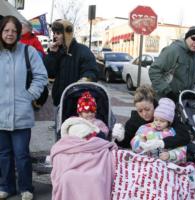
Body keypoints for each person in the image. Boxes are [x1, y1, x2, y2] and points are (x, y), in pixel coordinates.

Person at [0, 16, 48, 200]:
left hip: (21, 113)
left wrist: (29, 95)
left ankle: (26, 188)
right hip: (0, 113)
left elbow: (41, 76)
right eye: (6, 30)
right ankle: (6, 186)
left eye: (13, 30)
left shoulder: (28, 51)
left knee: (21, 155)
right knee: (3, 154)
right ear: (1, 32)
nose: (10, 34)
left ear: (18, 33)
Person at [50, 117, 117, 200]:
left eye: (87, 136)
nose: (89, 114)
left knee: (96, 178)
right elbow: (59, 171)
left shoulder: (99, 142)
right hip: (72, 176)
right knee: (67, 178)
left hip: (94, 172)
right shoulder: (63, 149)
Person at [115, 85, 190, 151]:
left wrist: (162, 143)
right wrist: (120, 138)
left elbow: (185, 136)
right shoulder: (134, 120)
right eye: (140, 111)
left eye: (147, 109)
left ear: (153, 104)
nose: (144, 114)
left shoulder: (165, 113)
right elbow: (126, 143)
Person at [44, 19, 99, 107]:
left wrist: (84, 80)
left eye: (58, 33)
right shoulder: (57, 51)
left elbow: (91, 71)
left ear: (67, 34)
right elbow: (49, 73)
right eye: (54, 33)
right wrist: (52, 54)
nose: (55, 36)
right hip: (59, 102)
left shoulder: (82, 50)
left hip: (77, 103)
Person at [149, 26, 195, 102]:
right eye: (194, 38)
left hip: (182, 101)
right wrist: (168, 92)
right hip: (164, 99)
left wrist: (194, 94)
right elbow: (154, 71)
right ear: (187, 37)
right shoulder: (173, 50)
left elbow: (194, 80)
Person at [131, 98, 186, 163]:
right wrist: (140, 143)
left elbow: (183, 150)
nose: (158, 123)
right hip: (146, 162)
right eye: (156, 120)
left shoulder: (173, 132)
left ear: (169, 122)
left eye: (162, 121)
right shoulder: (145, 128)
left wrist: (170, 155)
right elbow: (134, 143)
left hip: (165, 165)